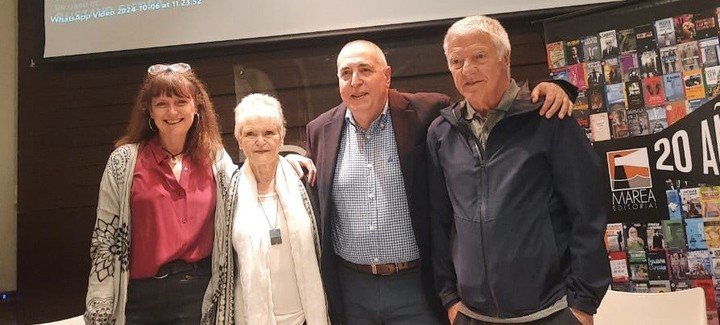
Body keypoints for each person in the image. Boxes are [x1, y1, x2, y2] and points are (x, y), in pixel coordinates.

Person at [305, 39, 577, 324]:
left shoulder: (428, 111)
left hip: (416, 286)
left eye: (365, 70)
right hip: (351, 288)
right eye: (345, 73)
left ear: (387, 76)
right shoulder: (320, 131)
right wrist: (286, 161)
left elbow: (484, 100)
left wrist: (552, 88)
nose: (355, 81)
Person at [83, 64, 314, 324]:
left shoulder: (216, 160)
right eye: (162, 104)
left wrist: (283, 163)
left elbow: (249, 179)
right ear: (149, 110)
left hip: (200, 296)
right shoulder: (123, 162)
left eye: (181, 102)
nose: (172, 112)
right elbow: (104, 240)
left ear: (196, 107)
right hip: (139, 298)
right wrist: (100, 306)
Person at [427, 16, 610, 325]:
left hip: (551, 311)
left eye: (479, 57)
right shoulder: (441, 133)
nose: (467, 69)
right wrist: (450, 298)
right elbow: (439, 221)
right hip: (472, 315)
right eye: (456, 61)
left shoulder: (549, 117)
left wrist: (582, 303)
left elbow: (588, 213)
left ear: (505, 58)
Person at [229, 93, 328, 324]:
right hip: (252, 317)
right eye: (250, 134)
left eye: (269, 133)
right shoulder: (228, 191)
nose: (260, 141)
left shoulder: (305, 181)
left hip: (305, 316)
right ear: (239, 140)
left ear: (282, 137)